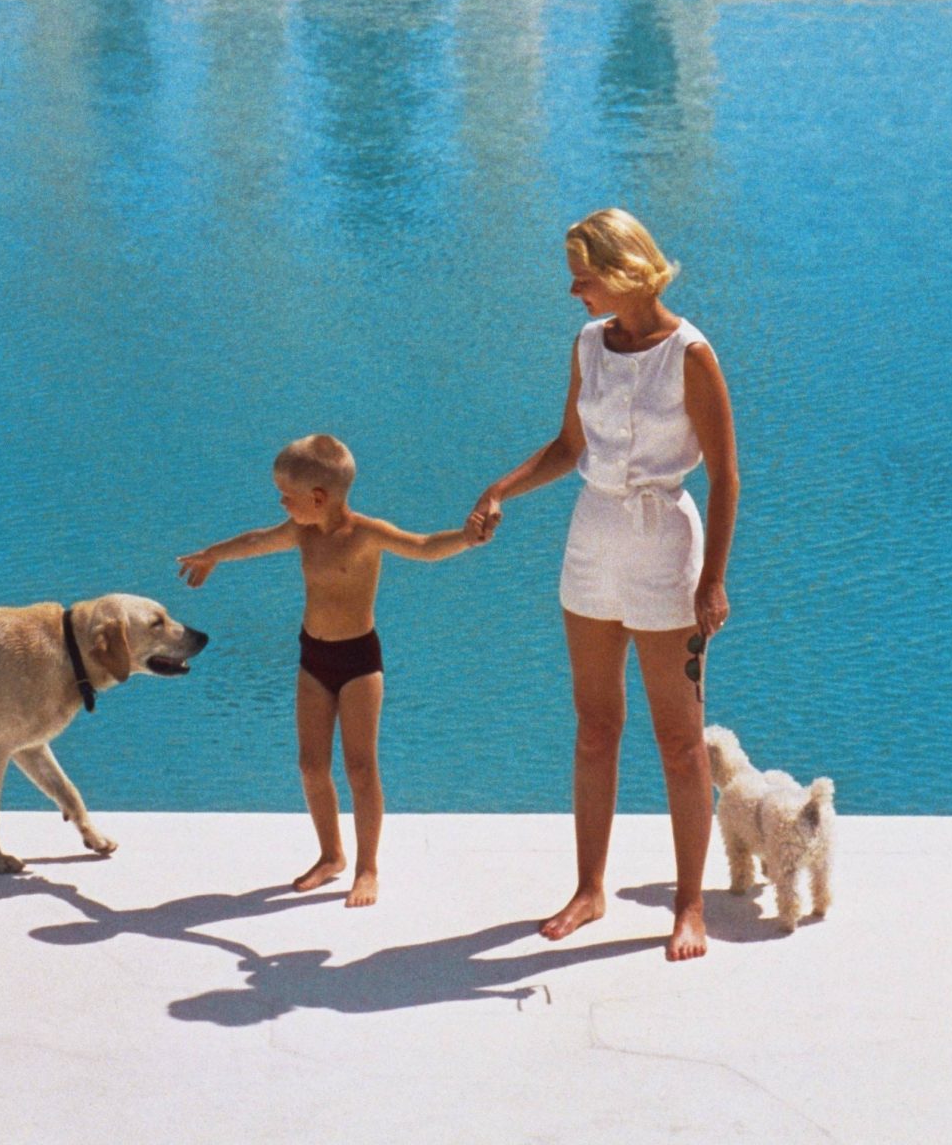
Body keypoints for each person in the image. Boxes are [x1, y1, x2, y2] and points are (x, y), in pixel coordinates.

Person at [468, 208, 739, 961]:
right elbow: (568, 445)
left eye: (582, 275)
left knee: (680, 743)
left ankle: (689, 904)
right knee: (595, 729)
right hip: (591, 542)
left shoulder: (690, 354)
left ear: (621, 272)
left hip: (665, 552)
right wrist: (501, 489)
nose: (572, 289)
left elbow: (725, 478)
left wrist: (713, 580)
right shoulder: (589, 344)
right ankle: (590, 890)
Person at [178, 433, 489, 907]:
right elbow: (257, 540)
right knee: (310, 764)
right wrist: (213, 553)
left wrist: (466, 538)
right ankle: (331, 856)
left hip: (359, 661)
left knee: (360, 768)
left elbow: (424, 547)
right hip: (313, 658)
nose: (282, 504)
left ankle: (367, 868)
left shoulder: (366, 534)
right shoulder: (302, 531)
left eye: (287, 496)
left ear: (318, 498)